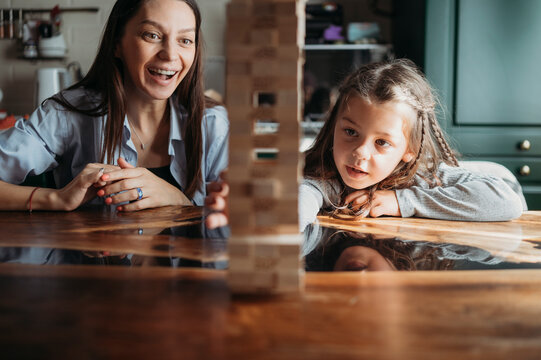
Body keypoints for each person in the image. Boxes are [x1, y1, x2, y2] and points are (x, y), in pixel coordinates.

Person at [205, 59, 523, 230]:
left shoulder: (425, 175)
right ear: (333, 128)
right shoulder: (327, 177)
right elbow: (303, 196)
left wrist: (401, 202)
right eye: (351, 132)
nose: (360, 153)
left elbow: (505, 201)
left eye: (382, 142)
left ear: (408, 150)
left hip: (495, 175)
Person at [0, 0, 229, 212]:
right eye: (152, 35)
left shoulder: (213, 124)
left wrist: (179, 200)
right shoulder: (69, 112)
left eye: (185, 40)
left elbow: (238, 219)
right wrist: (56, 198)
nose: (170, 54)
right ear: (117, 44)